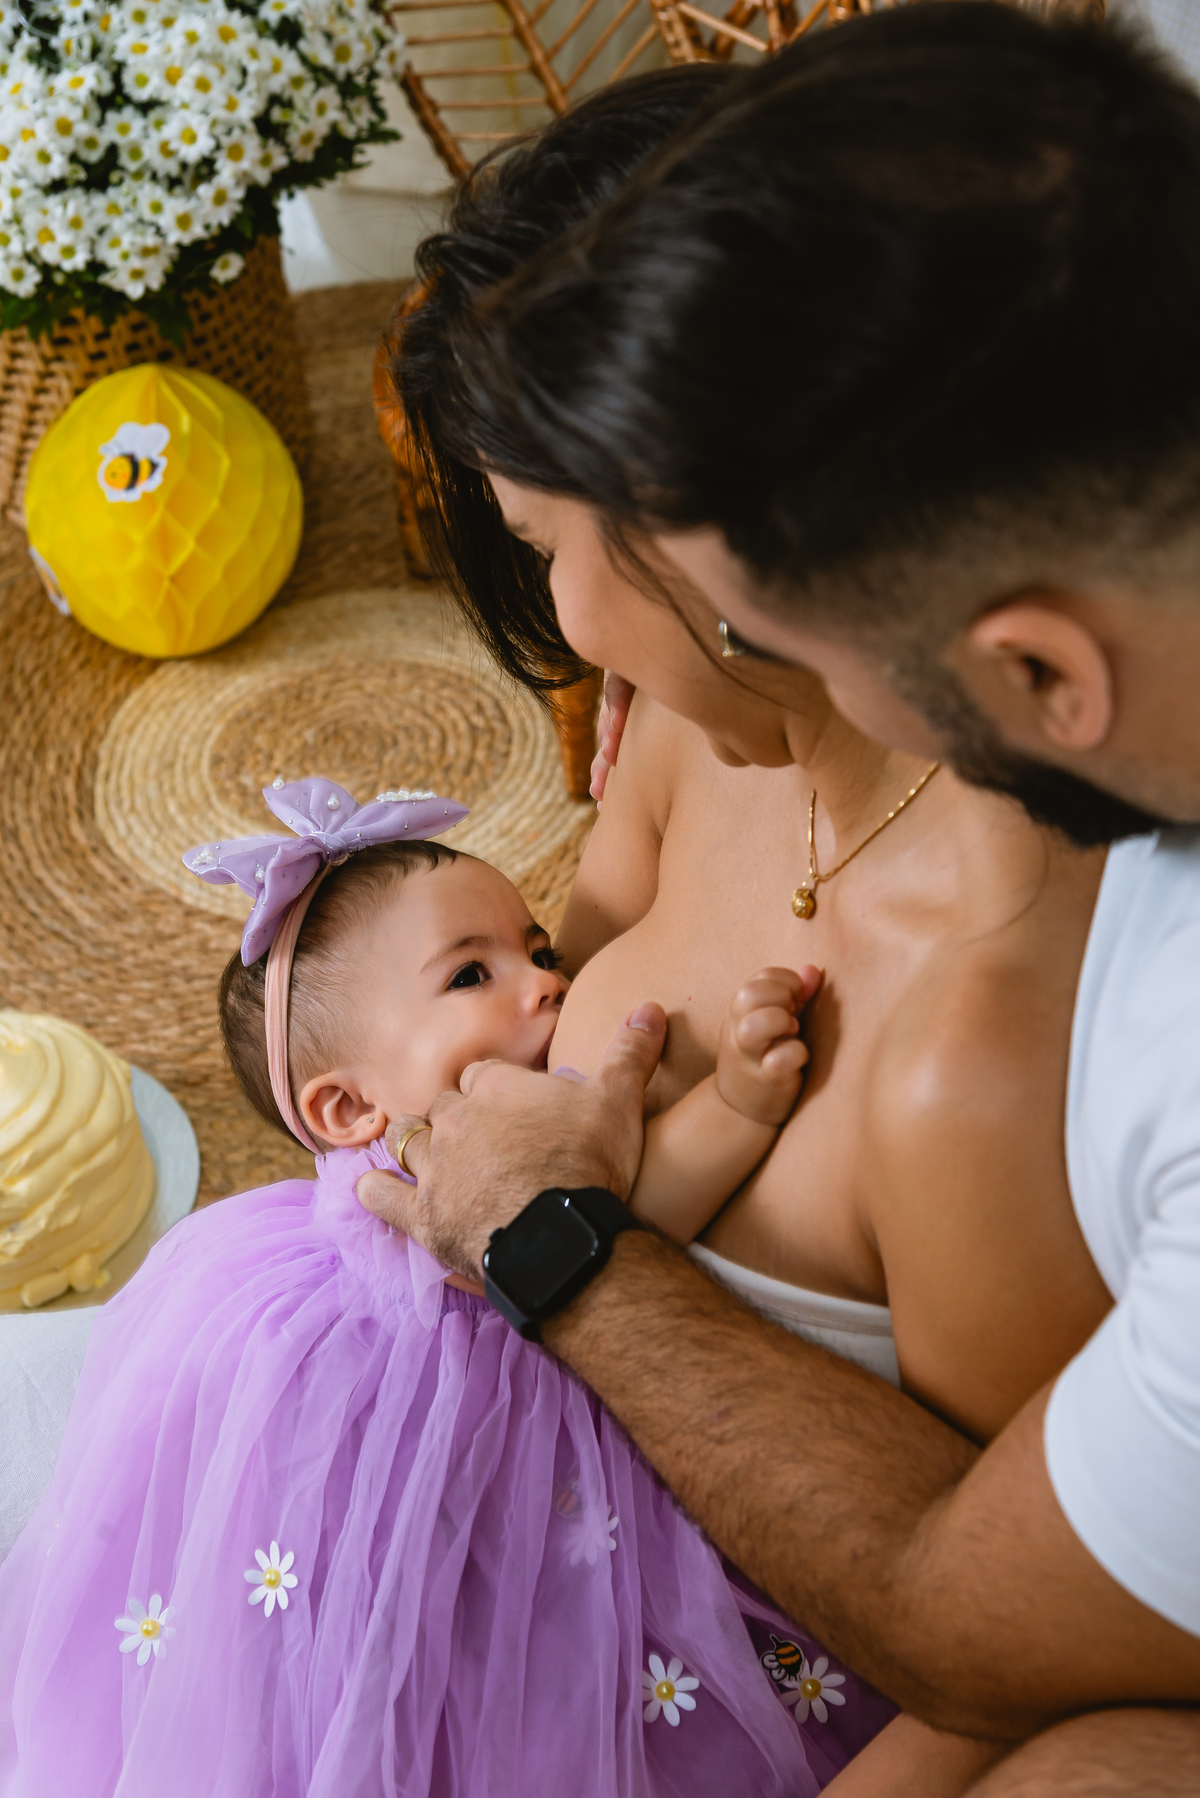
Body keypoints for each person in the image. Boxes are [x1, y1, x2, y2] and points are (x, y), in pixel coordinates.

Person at [360, 10, 1200, 1793]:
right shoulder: (699, 734)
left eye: (557, 543)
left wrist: (559, 1245)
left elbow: (992, 1637)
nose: (586, 627)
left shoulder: (1014, 1037)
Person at [0, 776, 884, 1798]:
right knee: (437, 1652)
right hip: (438, 1467)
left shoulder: (515, 1118)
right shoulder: (448, 1165)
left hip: (469, 1457)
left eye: (538, 948)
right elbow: (636, 1217)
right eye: (472, 974)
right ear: (349, 1110)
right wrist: (740, 1099)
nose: (544, 983)